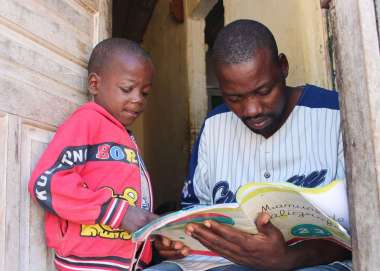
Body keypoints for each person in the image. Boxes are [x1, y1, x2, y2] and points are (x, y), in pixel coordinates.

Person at [146, 20, 351, 271]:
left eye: (264, 91)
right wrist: (178, 241)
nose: (252, 109)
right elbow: (194, 213)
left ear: (283, 67)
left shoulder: (338, 114)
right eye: (235, 98)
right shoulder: (214, 126)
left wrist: (287, 258)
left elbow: (367, 226)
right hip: (217, 264)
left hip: (316, 264)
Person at [28, 38, 158, 271]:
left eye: (145, 93)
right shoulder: (86, 122)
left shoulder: (122, 137)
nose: (138, 99)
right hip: (87, 263)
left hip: (125, 263)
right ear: (95, 84)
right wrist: (119, 213)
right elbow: (46, 183)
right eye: (127, 89)